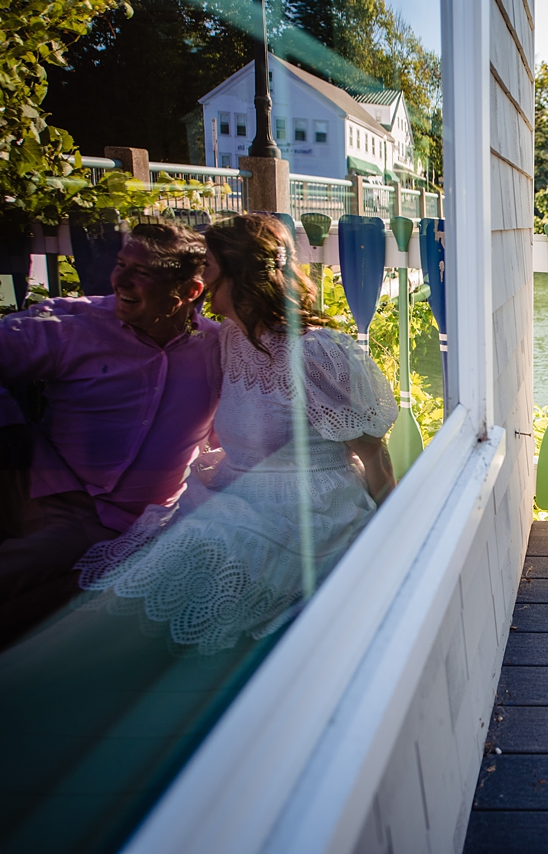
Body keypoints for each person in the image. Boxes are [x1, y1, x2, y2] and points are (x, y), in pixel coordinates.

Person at [73, 213, 398, 652]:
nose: (198, 279)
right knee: (149, 556)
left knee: (193, 548)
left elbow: (372, 453)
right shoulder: (229, 338)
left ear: (241, 275)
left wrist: (391, 538)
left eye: (206, 267)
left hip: (309, 508)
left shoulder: (315, 351)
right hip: (238, 489)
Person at [0, 222, 220, 656]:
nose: (120, 280)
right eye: (121, 265)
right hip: (64, 496)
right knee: (16, 575)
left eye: (142, 273)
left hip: (153, 522)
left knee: (62, 624)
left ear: (190, 291)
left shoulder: (217, 349)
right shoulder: (75, 325)